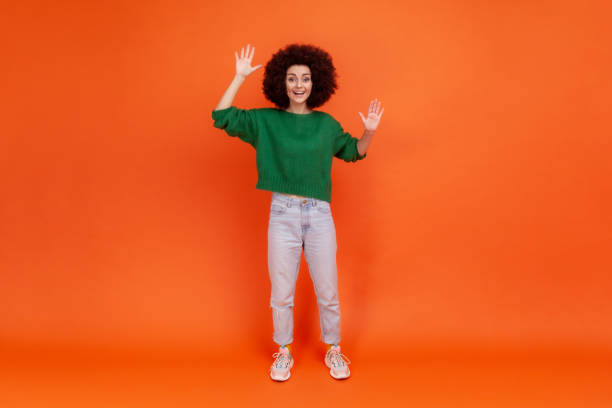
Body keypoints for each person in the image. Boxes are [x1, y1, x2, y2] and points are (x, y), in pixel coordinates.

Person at [212, 43, 384, 381]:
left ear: (316, 82)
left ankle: (334, 349)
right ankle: (284, 351)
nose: (299, 84)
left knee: (328, 290)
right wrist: (238, 77)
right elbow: (221, 117)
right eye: (292, 78)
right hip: (282, 214)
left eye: (305, 78)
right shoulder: (265, 122)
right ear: (281, 83)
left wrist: (370, 132)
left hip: (319, 216)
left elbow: (353, 152)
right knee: (281, 291)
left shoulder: (326, 124)